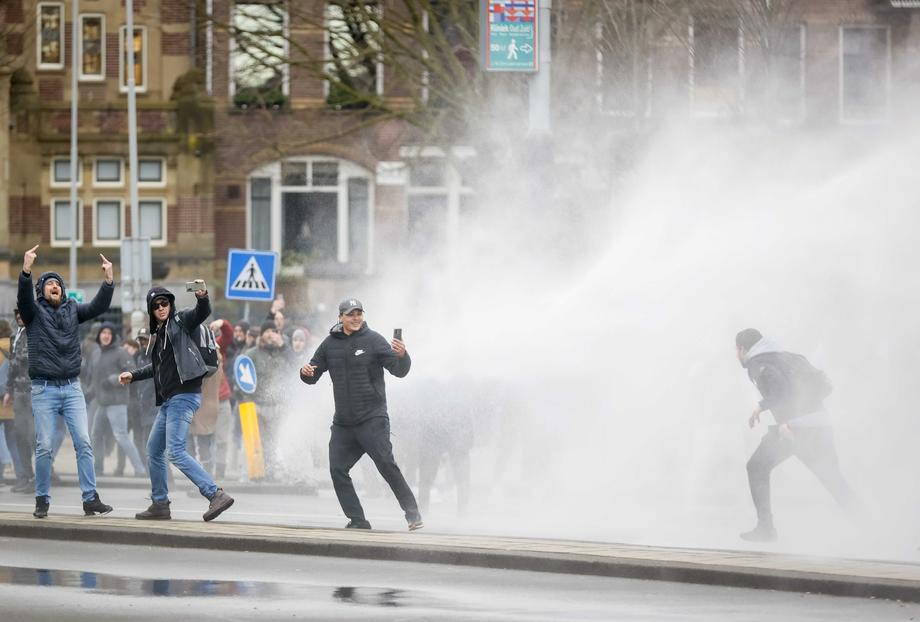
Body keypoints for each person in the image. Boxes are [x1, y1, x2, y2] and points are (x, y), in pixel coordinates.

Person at [300, 298, 422, 531]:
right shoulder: (329, 344)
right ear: (340, 318)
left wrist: (403, 355)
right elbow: (312, 375)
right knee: (337, 469)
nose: (355, 318)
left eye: (358, 314)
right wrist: (304, 372)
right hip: (344, 423)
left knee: (386, 464)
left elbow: (399, 371)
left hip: (372, 418)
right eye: (350, 314)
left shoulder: (374, 340)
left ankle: (412, 513)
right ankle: (358, 520)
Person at [119, 285, 234, 522]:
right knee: (153, 449)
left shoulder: (180, 322)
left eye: (164, 303)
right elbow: (158, 368)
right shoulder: (160, 335)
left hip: (184, 396)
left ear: (170, 305)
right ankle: (160, 503)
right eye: (156, 305)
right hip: (170, 400)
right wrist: (134, 374)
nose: (161, 308)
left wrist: (202, 297)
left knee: (176, 451)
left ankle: (215, 494)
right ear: (151, 310)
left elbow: (200, 313)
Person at [16, 244, 114, 518]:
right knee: (45, 446)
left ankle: (90, 498)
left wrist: (108, 280)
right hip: (44, 389)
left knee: (84, 441)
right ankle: (42, 499)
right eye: (49, 284)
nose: (54, 286)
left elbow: (98, 306)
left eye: (58, 283)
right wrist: (26, 270)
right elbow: (23, 299)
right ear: (41, 291)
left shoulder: (73, 310)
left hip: (72, 388)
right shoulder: (33, 313)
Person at [736, 328, 856, 542]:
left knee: (756, 467)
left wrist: (763, 408)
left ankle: (766, 528)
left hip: (794, 430)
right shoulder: (789, 357)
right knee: (834, 480)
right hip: (819, 425)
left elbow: (781, 392)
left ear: (742, 349)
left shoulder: (757, 364)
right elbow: (825, 385)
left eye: (737, 350)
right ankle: (869, 527)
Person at [90, 323, 146, 477]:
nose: (106, 335)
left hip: (117, 402)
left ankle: (140, 470)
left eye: (109, 332)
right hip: (101, 402)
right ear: (99, 335)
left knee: (121, 436)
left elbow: (132, 372)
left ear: (113, 336)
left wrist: (113, 379)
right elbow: (94, 377)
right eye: (103, 332)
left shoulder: (121, 352)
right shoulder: (96, 353)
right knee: (95, 434)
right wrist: (90, 391)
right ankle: (98, 468)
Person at [246, 321, 295, 480]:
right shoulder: (252, 354)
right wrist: (249, 402)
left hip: (280, 405)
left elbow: (298, 367)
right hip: (258, 404)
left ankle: (274, 472)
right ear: (262, 334)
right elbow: (242, 380)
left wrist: (283, 347)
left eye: (274, 331)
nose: (271, 334)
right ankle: (258, 473)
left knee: (276, 440)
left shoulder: (285, 352)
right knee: (258, 441)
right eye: (267, 331)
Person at [4, 308, 35, 493]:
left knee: (34, 437)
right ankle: (25, 476)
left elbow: (27, 360)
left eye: (22, 313)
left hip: (33, 393)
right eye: (16, 314)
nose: (18, 316)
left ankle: (38, 478)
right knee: (20, 436)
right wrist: (9, 389)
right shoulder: (15, 337)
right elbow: (12, 366)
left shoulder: (35, 334)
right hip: (19, 393)